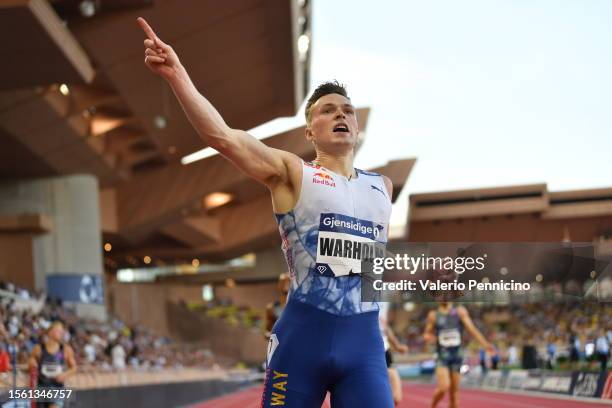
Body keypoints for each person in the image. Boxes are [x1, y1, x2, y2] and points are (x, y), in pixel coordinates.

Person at [138, 17, 395, 407]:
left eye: (347, 110)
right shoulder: (292, 172)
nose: (341, 115)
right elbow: (223, 137)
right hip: (302, 339)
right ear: (310, 132)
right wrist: (177, 75)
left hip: (364, 344)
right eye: (328, 110)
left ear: (357, 128)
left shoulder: (383, 188)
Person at [424, 302, 494, 408]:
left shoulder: (460, 311)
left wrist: (486, 345)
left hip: (457, 355)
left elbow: (473, 330)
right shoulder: (433, 315)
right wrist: (430, 338)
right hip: (442, 356)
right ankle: (432, 406)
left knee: (454, 393)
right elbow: (426, 333)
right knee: (444, 386)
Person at [28, 321, 77, 408]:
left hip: (57, 388)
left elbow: (74, 368)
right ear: (50, 333)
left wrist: (65, 375)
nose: (61, 334)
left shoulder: (66, 349)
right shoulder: (39, 348)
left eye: (62, 332)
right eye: (58, 331)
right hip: (42, 387)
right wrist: (32, 362)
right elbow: (31, 360)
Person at [379, 302, 408, 406]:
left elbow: (385, 326)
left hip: (384, 350)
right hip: (367, 351)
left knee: (397, 396)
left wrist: (397, 345)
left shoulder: (384, 302)